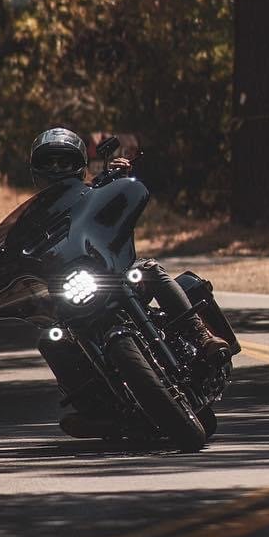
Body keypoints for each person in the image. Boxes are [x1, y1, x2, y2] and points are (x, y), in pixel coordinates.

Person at [26, 125, 232, 436]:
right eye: (49, 162)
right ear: (35, 169)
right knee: (49, 338)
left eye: (63, 161)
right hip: (67, 294)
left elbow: (114, 203)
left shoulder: (92, 191)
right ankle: (95, 410)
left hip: (107, 275)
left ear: (78, 164)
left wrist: (116, 176)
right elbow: (8, 253)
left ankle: (202, 337)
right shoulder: (30, 219)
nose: (56, 169)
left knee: (148, 268)